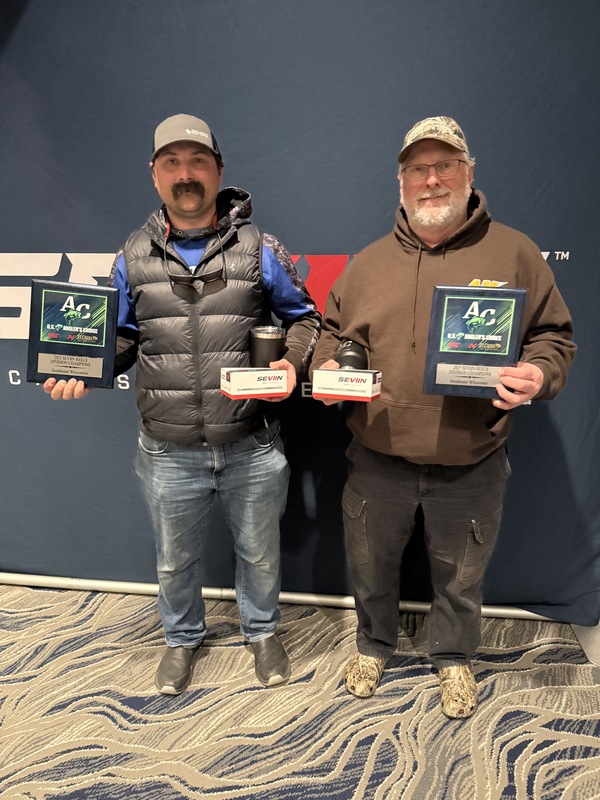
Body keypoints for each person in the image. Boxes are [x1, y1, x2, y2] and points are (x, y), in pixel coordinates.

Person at [44, 113, 321, 695]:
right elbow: (122, 337)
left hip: (251, 443)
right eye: (172, 162)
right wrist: (85, 369)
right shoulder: (131, 254)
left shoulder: (260, 247)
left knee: (261, 555)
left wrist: (292, 363)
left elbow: (305, 319)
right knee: (174, 561)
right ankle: (181, 637)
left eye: (198, 161)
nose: (185, 173)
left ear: (219, 171)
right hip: (167, 450)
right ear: (155, 175)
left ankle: (262, 630)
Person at [310, 116, 575, 718]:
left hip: (471, 459)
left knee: (461, 575)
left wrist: (539, 374)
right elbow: (332, 335)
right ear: (401, 182)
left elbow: (553, 338)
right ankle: (373, 644)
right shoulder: (368, 263)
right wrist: (326, 371)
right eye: (417, 169)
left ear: (468, 172)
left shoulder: (516, 252)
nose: (431, 180)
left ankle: (454, 656)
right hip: (377, 458)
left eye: (445, 165)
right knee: (371, 566)